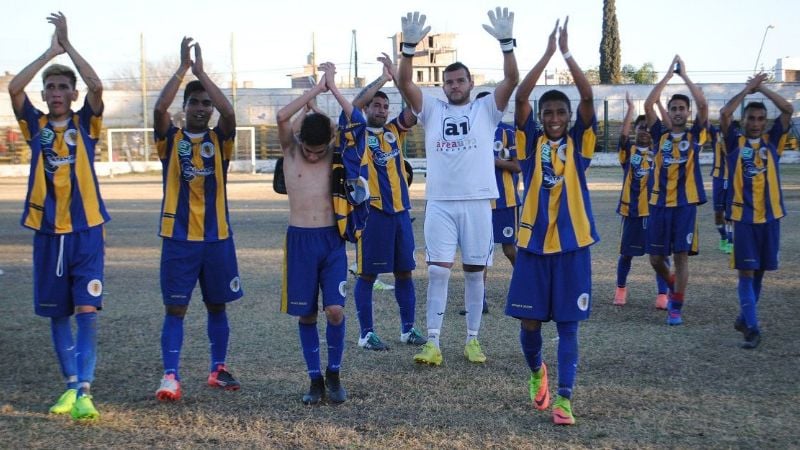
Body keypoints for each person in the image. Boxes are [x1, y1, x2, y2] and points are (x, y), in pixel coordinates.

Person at [396, 7, 519, 366]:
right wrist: (408, 49)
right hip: (440, 202)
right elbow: (405, 83)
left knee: (475, 273)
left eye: (460, 81)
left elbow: (511, 79)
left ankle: (472, 340)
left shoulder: (486, 110)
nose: (454, 86)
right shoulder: (432, 109)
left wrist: (506, 44)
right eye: (449, 82)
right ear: (443, 86)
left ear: (470, 83)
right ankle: (433, 342)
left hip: (478, 203)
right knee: (437, 271)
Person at [8, 12, 108, 420]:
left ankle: (85, 391)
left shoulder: (86, 123)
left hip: (86, 231)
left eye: (63, 86)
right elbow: (14, 88)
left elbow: (97, 86)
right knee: (58, 313)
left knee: (87, 310)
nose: (56, 92)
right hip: (47, 232)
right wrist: (50, 53)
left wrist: (69, 47)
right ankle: (69, 386)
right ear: (45, 93)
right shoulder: (35, 125)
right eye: (50, 87)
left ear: (73, 92)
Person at [507, 17, 597, 426]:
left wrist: (568, 53)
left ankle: (564, 399)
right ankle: (535, 372)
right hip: (532, 245)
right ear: (541, 117)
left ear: (568, 116)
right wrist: (546, 53)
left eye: (561, 112)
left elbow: (588, 97)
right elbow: (521, 97)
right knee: (529, 323)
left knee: (568, 325)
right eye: (549, 113)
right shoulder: (529, 144)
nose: (555, 117)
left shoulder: (580, 145)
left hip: (573, 246)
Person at [152, 38, 243, 401]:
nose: (203, 108)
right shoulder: (170, 139)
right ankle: (170, 375)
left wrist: (202, 73)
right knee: (176, 308)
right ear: (185, 106)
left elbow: (230, 113)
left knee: (217, 305)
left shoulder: (221, 140)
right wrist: (183, 69)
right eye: (195, 102)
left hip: (217, 237)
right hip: (178, 237)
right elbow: (159, 108)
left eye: (207, 103)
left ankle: (217, 368)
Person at [277, 62, 354, 405]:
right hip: (300, 241)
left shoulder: (333, 152)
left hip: (331, 240)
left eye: (318, 150)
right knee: (306, 314)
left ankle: (334, 373)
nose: (312, 155)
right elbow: (282, 117)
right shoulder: (291, 152)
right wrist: (315, 91)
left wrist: (330, 89)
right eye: (308, 148)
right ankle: (314, 380)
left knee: (335, 310)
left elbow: (345, 123)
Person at [348, 53, 427, 351]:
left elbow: (415, 109)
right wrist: (383, 78)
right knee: (368, 274)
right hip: (372, 214)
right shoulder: (356, 132)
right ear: (367, 108)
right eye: (376, 105)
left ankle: (408, 329)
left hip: (400, 213)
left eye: (385, 106)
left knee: (405, 271)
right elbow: (355, 104)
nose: (381, 110)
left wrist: (401, 78)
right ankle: (366, 334)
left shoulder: (394, 131)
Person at [719, 73, 793, 349]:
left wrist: (762, 87)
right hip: (744, 219)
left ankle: (744, 318)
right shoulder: (734, 143)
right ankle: (752, 328)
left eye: (761, 119)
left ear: (765, 122)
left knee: (760, 271)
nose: (756, 123)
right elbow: (724, 114)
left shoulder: (773, 142)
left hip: (771, 218)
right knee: (746, 273)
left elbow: (788, 109)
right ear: (745, 121)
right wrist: (746, 90)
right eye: (751, 118)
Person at [643, 55, 708, 326]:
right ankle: (672, 286)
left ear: (688, 113)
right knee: (656, 259)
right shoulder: (660, 135)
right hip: (659, 204)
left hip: (685, 205)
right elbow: (648, 104)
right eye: (674, 108)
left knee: (681, 257)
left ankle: (676, 307)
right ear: (668, 112)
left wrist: (685, 76)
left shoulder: (695, 135)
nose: (678, 112)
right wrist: (669, 75)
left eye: (682, 108)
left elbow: (703, 105)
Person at [461, 90, 520, 316]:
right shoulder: (467, 132)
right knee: (480, 251)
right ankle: (479, 301)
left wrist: (493, 161)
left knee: (509, 249)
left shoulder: (508, 132)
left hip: (505, 201)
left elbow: (518, 166)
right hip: (478, 201)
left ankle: (527, 286)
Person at [613, 93, 672, 309]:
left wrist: (659, 105)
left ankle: (663, 294)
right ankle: (620, 289)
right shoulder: (629, 152)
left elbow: (668, 131)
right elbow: (623, 135)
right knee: (626, 254)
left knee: (660, 255)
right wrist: (630, 109)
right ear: (635, 131)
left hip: (655, 212)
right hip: (632, 212)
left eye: (648, 128)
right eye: (641, 128)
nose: (645, 131)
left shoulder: (660, 151)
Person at [709, 121, 734, 254]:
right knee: (718, 214)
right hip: (718, 178)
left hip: (732, 178)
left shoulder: (737, 135)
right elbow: (704, 121)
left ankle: (730, 241)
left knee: (730, 213)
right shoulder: (715, 134)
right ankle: (724, 237)